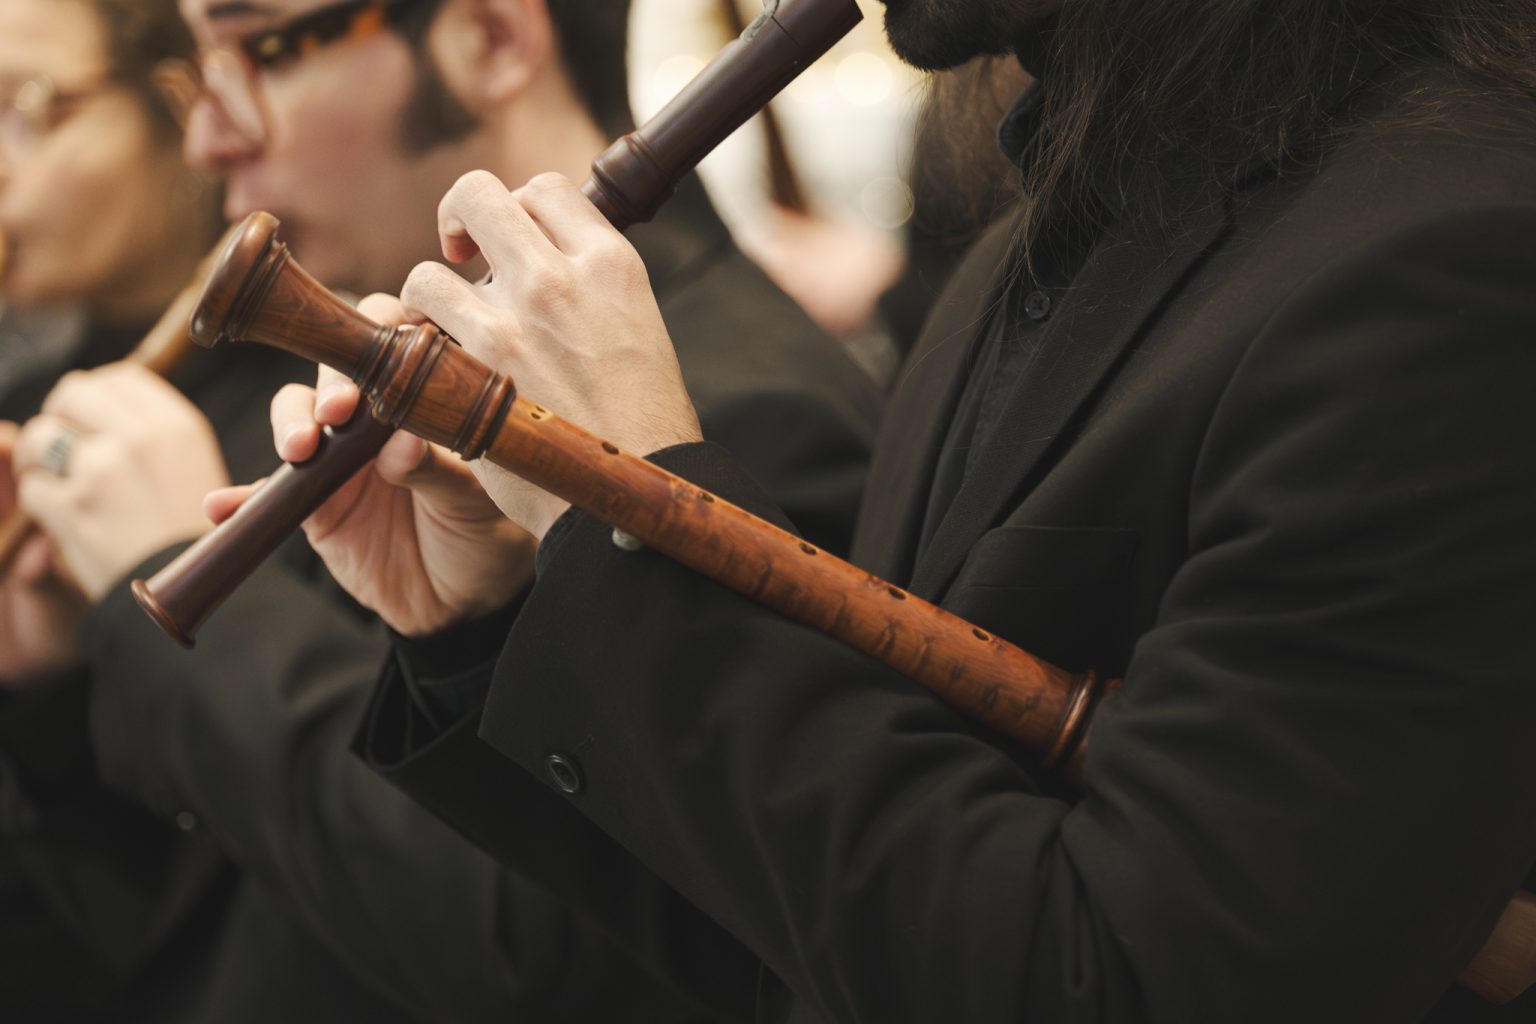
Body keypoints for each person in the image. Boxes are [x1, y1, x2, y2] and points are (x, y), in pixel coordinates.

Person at [260, 0, 1536, 1020]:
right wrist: (493, 617)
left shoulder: (1455, 270)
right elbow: (819, 945)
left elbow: (1128, 980)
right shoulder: (1015, 262)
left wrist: (636, 504)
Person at [13, 0, 881, 1018]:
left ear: (490, 37)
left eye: (261, 50)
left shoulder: (746, 412)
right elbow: (225, 916)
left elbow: (552, 957)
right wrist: (50, 685)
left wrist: (171, 579)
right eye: (202, 71)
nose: (207, 140)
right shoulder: (362, 373)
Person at [0, 1, 432, 1020]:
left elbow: (422, 895)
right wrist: (40, 689)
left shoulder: (334, 405)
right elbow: (130, 911)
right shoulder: (35, 407)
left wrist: (166, 571)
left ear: (175, 101)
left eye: (27, 106)